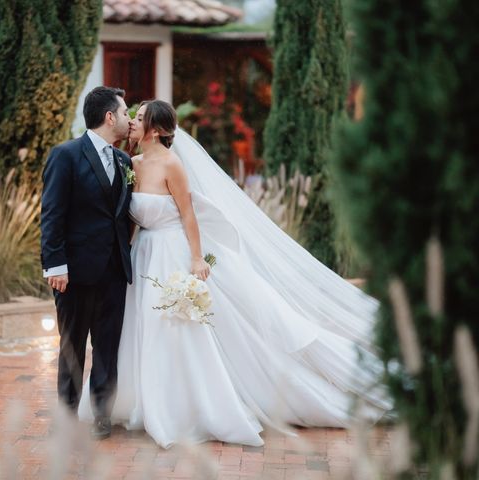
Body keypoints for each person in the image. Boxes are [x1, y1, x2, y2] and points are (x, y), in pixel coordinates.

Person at [77, 99, 391, 448]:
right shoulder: (130, 164)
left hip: (171, 254)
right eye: (131, 116)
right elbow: (130, 219)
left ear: (157, 130)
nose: (132, 122)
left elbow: (189, 216)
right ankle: (136, 402)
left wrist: (197, 259)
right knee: (140, 327)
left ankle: (180, 408)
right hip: (142, 256)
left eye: (139, 118)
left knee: (173, 330)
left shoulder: (172, 165)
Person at [41, 86, 133, 440]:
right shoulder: (66, 155)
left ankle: (102, 415)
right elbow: (52, 214)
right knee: (72, 346)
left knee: (107, 347)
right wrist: (55, 265)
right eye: (125, 112)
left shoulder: (124, 162)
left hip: (113, 271)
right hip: (75, 273)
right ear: (109, 116)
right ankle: (66, 416)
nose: (128, 119)